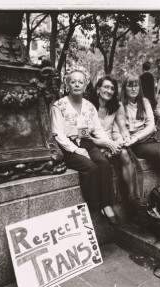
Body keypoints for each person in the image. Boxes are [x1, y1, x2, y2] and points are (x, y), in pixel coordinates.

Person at [50, 65, 122, 225]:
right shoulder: (58, 106)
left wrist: (108, 143)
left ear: (85, 85)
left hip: (86, 142)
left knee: (103, 163)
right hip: (67, 147)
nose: (76, 84)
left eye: (80, 82)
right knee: (90, 167)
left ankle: (107, 205)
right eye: (73, 82)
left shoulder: (90, 107)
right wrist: (77, 150)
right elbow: (58, 134)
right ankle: (95, 206)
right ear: (67, 84)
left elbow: (96, 130)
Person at [90, 75, 145, 225]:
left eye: (112, 88)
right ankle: (110, 205)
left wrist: (122, 140)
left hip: (111, 143)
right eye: (106, 87)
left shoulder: (117, 106)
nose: (109, 90)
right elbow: (84, 136)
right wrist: (107, 145)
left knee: (126, 154)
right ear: (98, 88)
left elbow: (122, 129)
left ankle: (134, 203)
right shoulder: (88, 105)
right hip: (93, 144)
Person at [120, 72, 160, 180]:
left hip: (152, 136)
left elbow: (150, 125)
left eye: (136, 85)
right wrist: (133, 139)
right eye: (130, 85)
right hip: (137, 145)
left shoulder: (145, 102)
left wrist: (136, 136)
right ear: (124, 88)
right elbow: (122, 129)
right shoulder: (119, 105)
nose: (134, 88)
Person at [140, 61, 160, 132]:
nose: (157, 65)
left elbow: (159, 81)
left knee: (156, 109)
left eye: (158, 63)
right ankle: (159, 127)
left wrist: (157, 94)